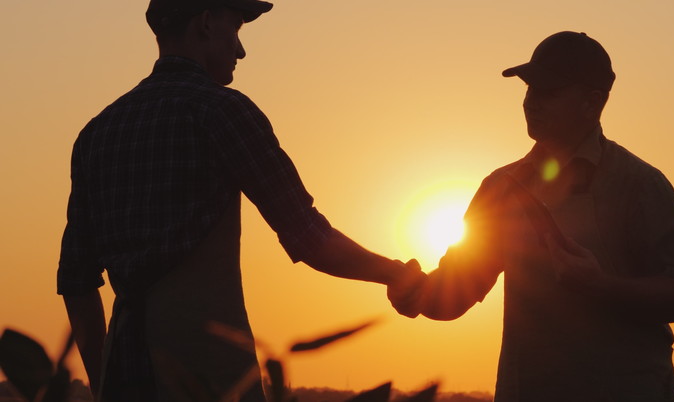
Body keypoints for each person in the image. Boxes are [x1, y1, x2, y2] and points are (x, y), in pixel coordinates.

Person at [56, 1, 424, 400]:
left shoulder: (96, 133)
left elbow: (76, 281)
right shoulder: (222, 111)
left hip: (123, 371)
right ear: (207, 22)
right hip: (209, 377)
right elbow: (308, 235)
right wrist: (397, 275)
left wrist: (102, 383)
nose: (241, 50)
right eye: (237, 29)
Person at [392, 31, 674, 401]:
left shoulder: (640, 185)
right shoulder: (501, 188)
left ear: (593, 102)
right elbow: (454, 296)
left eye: (548, 91)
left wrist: (600, 285)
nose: (531, 103)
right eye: (528, 89)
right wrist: (412, 294)